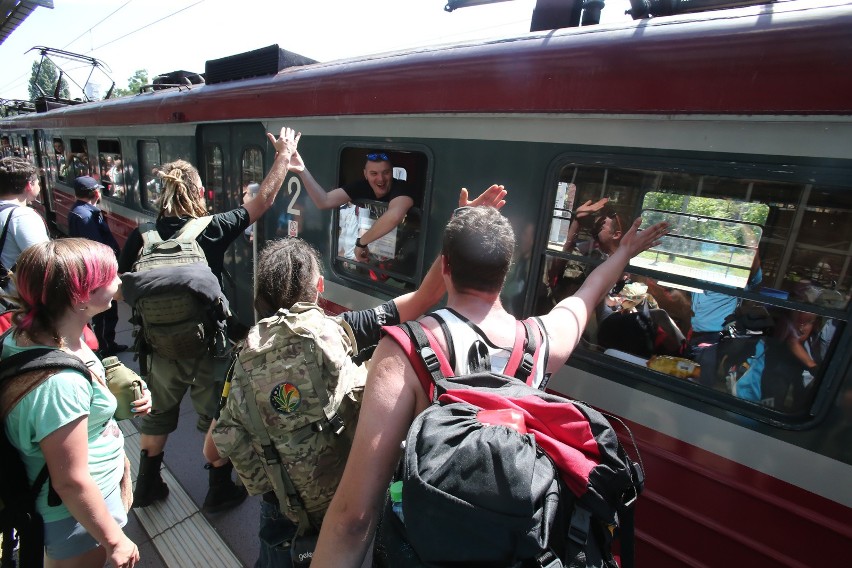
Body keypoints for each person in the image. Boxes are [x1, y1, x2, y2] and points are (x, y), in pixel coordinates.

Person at [310, 200, 668, 567]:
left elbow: (353, 519)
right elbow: (587, 294)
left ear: (445, 266)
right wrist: (623, 252)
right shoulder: (540, 341)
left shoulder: (404, 350)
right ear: (506, 271)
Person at [204, 185, 507, 568]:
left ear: (260, 296)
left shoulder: (241, 362)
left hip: (283, 517)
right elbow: (424, 297)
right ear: (318, 289)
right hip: (346, 498)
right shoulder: (341, 329)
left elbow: (212, 451)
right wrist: (461, 226)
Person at [117, 127, 302, 512]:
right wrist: (284, 154)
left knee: (157, 417)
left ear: (161, 196)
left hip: (160, 350)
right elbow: (263, 201)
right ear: (198, 193)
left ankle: (147, 486)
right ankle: (218, 489)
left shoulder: (142, 236)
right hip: (209, 349)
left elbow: (123, 287)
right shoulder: (212, 228)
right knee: (218, 417)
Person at [1, 239, 152, 567]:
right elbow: (70, 481)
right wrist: (114, 540)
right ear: (81, 297)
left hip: (83, 503)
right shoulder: (59, 385)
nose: (119, 282)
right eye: (110, 277)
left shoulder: (40, 333)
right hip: (74, 517)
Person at [291, 150, 418, 262]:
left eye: (386, 172)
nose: (381, 179)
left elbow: (395, 216)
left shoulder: (402, 187)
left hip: (407, 250)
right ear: (365, 174)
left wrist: (361, 242)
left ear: (392, 172)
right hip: (378, 252)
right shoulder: (362, 186)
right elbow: (324, 201)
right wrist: (302, 171)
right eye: (374, 173)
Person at [68, 176, 127, 357]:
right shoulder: (87, 216)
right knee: (105, 312)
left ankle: (108, 343)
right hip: (99, 273)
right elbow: (96, 246)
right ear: (95, 192)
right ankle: (104, 347)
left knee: (107, 312)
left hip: (95, 271)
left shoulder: (79, 211)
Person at [0, 156, 51, 299]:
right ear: (29, 185)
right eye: (37, 183)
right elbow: (45, 263)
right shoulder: (22, 217)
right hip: (15, 303)